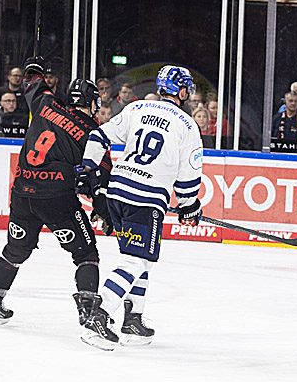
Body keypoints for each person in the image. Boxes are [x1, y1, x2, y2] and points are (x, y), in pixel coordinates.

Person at [79, 66, 204, 350]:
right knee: (135, 260)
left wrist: (89, 166)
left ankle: (133, 320)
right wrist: (188, 205)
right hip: (144, 200)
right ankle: (99, 317)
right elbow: (188, 177)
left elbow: (98, 137)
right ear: (181, 91)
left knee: (139, 258)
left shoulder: (137, 109)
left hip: (117, 192)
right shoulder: (187, 126)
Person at [0, 61, 111, 330]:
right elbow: (99, 177)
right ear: (91, 102)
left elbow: (32, 81)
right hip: (57, 200)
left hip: (22, 193)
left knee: (16, 250)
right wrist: (102, 208)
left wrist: (34, 66)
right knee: (86, 255)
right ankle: (87, 310)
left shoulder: (46, 105)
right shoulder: (93, 134)